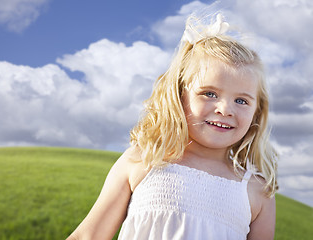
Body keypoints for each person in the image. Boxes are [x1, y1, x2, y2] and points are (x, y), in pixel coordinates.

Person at [66, 13, 278, 240]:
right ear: (179, 95)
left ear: (257, 110)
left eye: (241, 101)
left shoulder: (257, 192)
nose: (225, 109)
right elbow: (88, 236)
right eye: (209, 93)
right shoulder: (144, 160)